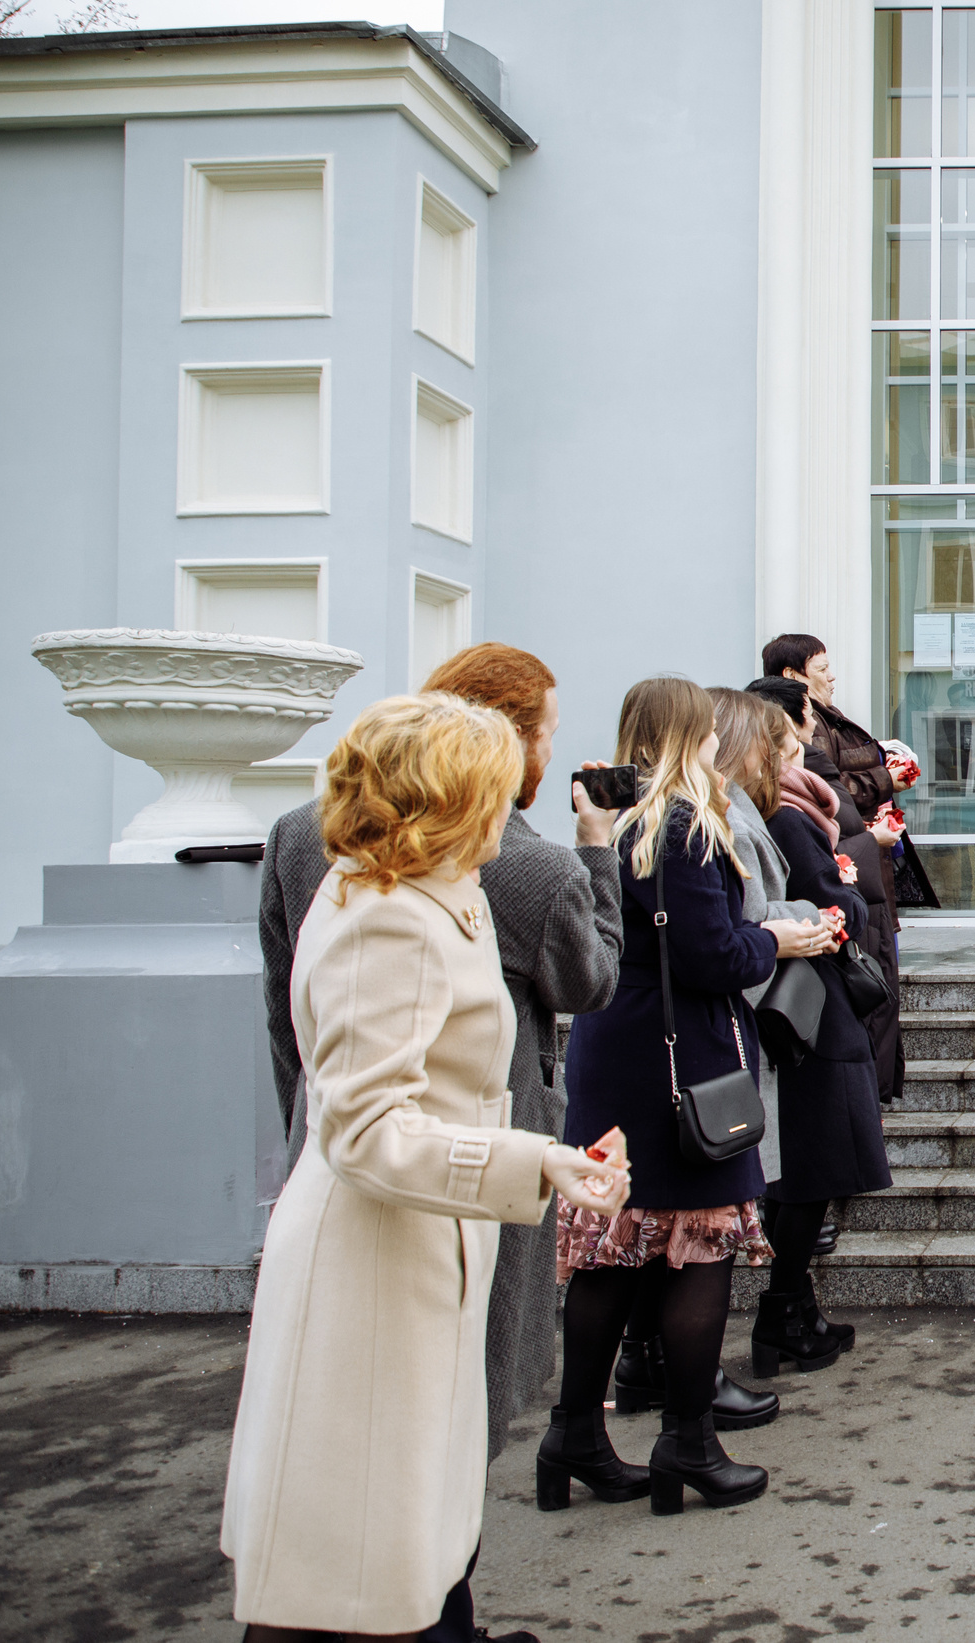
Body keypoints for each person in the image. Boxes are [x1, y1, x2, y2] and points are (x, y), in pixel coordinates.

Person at [222, 692, 630, 1642]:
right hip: (374, 1260)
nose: (510, 811)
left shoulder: (427, 894)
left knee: (383, 1544)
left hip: (414, 1243)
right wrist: (539, 1161)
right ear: (448, 798)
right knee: (349, 1558)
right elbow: (366, 1130)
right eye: (495, 789)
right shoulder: (387, 916)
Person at [552, 677, 829, 1517]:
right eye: (707, 730)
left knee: (614, 1246)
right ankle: (689, 1442)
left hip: (613, 1051)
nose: (715, 741)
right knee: (702, 1244)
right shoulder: (685, 825)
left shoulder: (617, 817)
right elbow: (716, 956)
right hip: (680, 1063)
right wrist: (776, 938)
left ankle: (574, 1435)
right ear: (689, 735)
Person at [722, 690, 886, 1376]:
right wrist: (847, 892)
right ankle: (784, 1313)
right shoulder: (781, 815)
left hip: (809, 1001)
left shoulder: (777, 808)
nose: (803, 750)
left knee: (811, 1169)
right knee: (812, 1167)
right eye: (792, 742)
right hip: (805, 1006)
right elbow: (814, 902)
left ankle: (793, 1311)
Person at [753, 671, 907, 1105]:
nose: (833, 676)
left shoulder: (798, 794)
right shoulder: (789, 812)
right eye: (821, 667)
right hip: (814, 978)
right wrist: (855, 857)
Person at [762, 634, 939, 911]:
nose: (831, 677)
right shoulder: (810, 724)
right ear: (792, 675)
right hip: (851, 855)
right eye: (822, 669)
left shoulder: (824, 716)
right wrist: (885, 779)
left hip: (859, 850)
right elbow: (828, 784)